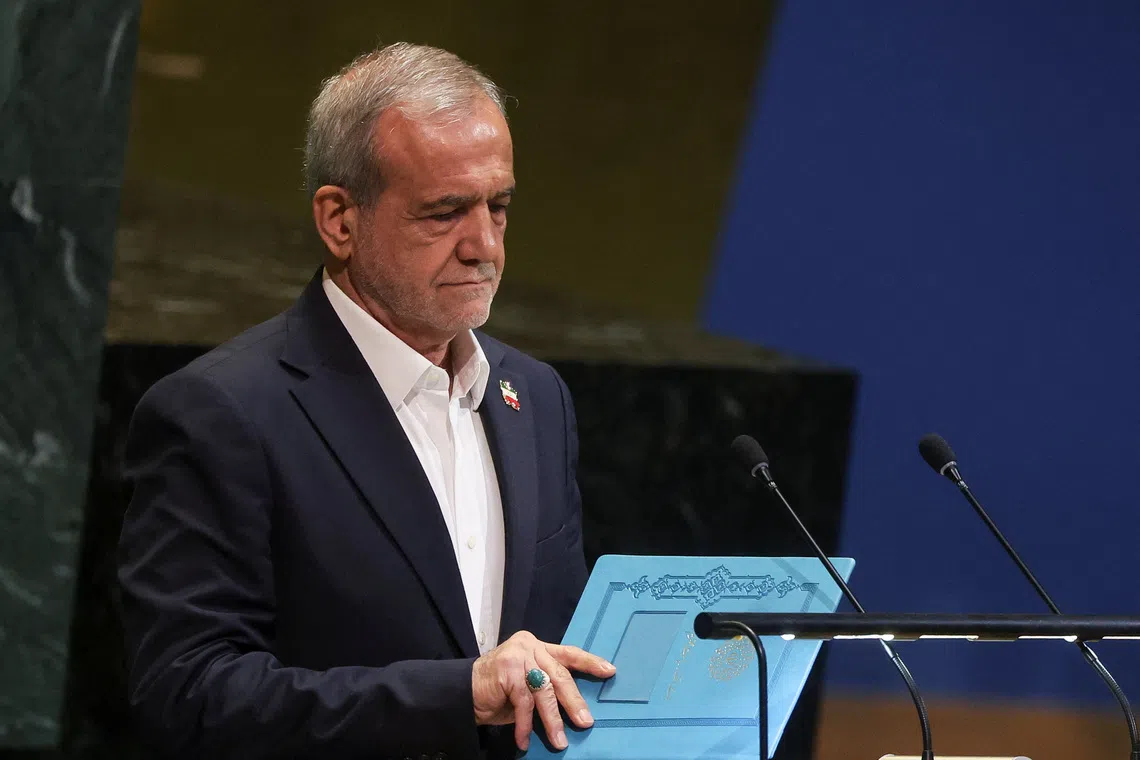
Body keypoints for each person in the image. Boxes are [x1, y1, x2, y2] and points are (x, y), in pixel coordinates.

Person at [117, 42, 614, 760]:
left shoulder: (534, 396)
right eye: (445, 213)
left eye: (498, 206)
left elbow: (554, 651)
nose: (484, 246)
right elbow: (188, 692)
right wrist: (458, 693)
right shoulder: (221, 413)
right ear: (339, 221)